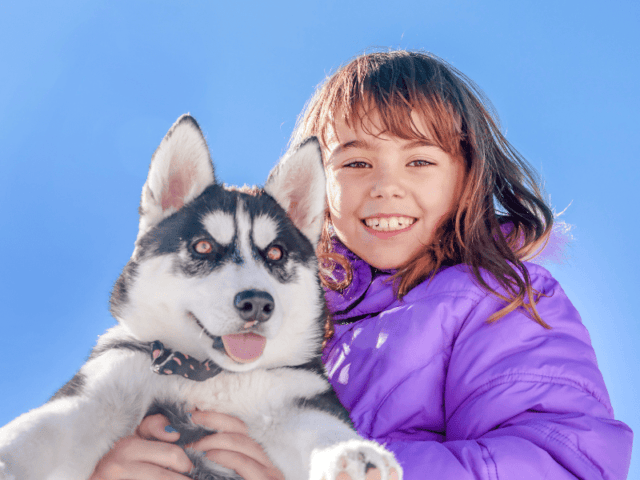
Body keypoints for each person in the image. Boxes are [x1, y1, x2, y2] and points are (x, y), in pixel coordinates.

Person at [90, 50, 633, 479]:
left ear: (467, 177)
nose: (386, 186)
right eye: (355, 161)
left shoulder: (500, 298)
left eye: (419, 160)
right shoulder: (282, 320)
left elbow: (563, 462)